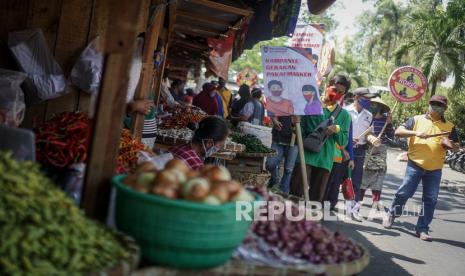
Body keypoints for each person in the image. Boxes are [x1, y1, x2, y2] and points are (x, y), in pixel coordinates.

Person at [383, 95, 460, 241]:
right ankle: (392, 214)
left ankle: (422, 228)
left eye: (439, 105)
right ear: (429, 104)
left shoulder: (449, 126)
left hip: (435, 168)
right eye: (434, 104)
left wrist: (451, 145)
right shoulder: (417, 119)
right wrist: (416, 133)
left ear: (445, 108)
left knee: (431, 199)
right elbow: (398, 131)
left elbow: (456, 147)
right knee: (404, 192)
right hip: (415, 164)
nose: (436, 106)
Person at [290, 84, 352, 202]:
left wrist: (337, 129)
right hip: (305, 156)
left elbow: (343, 142)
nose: (336, 94)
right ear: (327, 87)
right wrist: (295, 124)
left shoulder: (344, 115)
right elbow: (300, 130)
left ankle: (310, 220)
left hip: (325, 160)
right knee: (296, 192)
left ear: (343, 95)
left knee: (316, 198)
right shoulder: (310, 106)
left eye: (340, 92)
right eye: (334, 89)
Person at [345, 87, 376, 221]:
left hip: (359, 151)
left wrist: (373, 139)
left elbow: (369, 134)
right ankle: (329, 204)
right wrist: (347, 140)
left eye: (369, 99)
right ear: (356, 97)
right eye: (365, 98)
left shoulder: (369, 115)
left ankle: (354, 210)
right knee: (336, 179)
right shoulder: (345, 111)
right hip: (343, 149)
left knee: (357, 182)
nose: (368, 101)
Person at [360, 97, 394, 211]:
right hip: (368, 148)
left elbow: (391, 135)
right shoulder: (367, 118)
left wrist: (389, 123)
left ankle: (376, 201)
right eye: (371, 104)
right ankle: (359, 201)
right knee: (364, 174)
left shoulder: (386, 120)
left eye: (375, 105)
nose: (372, 107)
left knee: (379, 175)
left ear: (380, 108)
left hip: (381, 150)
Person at [265, 115, 298, 194]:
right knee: (270, 164)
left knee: (288, 170)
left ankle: (284, 193)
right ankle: (275, 179)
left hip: (295, 141)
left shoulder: (306, 104)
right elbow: (273, 111)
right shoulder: (282, 102)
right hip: (279, 137)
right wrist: (274, 120)